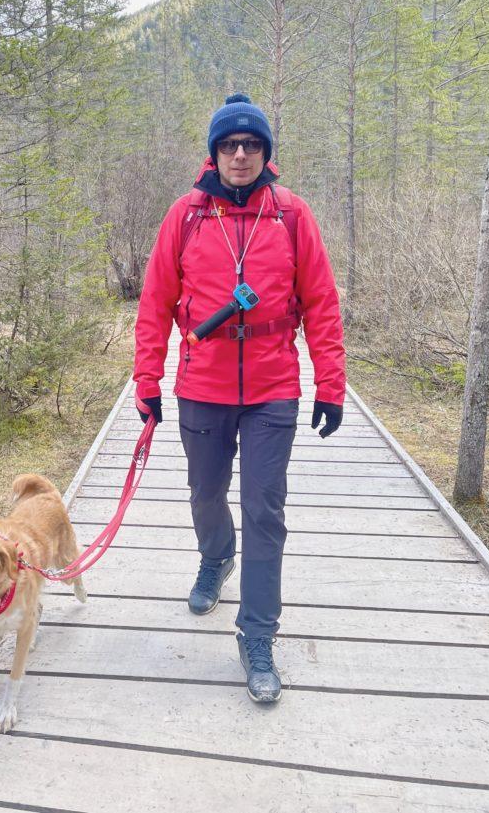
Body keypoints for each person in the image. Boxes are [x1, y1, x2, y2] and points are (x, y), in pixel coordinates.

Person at [133, 93, 346, 703]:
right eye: (231, 145)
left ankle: (257, 635)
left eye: (252, 145)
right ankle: (215, 557)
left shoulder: (293, 216)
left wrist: (330, 382)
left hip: (274, 389)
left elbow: (323, 303)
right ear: (214, 153)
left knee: (264, 511)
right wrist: (146, 381)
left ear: (266, 154)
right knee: (205, 494)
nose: (241, 155)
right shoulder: (186, 216)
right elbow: (154, 305)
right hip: (203, 384)